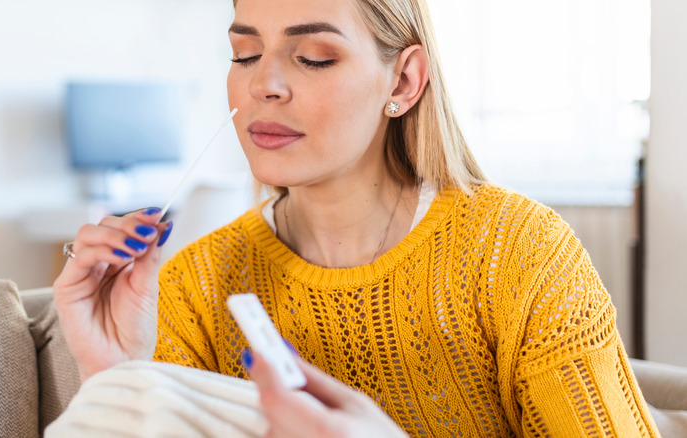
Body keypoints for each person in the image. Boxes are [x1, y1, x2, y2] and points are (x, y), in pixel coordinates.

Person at [53, 0, 660, 436]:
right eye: (245, 53)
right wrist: (118, 380)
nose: (264, 83)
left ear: (404, 78)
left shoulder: (520, 251)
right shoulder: (192, 286)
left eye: (314, 57)